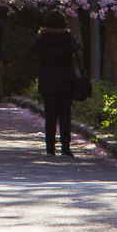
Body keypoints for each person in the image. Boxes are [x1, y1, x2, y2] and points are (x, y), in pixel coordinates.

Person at [34, 19, 83, 156]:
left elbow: (35, 51)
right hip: (65, 81)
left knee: (50, 116)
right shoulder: (67, 37)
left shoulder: (42, 38)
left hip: (47, 81)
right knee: (65, 115)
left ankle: (50, 148)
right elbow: (76, 48)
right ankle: (65, 148)